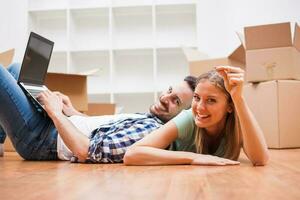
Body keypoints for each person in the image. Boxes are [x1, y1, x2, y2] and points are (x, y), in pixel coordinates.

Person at [0, 63, 196, 163]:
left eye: (175, 101)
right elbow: (100, 132)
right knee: (18, 69)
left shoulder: (149, 132)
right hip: (55, 125)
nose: (165, 98)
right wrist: (72, 112)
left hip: (40, 140)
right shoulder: (148, 118)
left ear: (182, 117)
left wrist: (56, 112)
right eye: (170, 91)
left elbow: (86, 151)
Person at [124, 66, 270, 166]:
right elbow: (132, 154)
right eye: (196, 97)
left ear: (230, 107)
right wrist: (194, 158)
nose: (200, 108)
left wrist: (238, 98)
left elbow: (260, 160)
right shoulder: (188, 118)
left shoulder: (238, 123)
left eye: (211, 100)